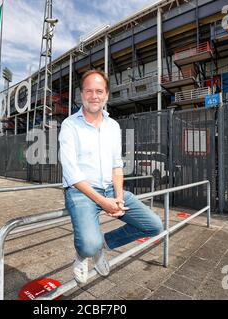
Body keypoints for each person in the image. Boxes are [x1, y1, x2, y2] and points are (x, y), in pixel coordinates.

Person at [59, 69, 163, 284]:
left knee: (154, 226)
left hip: (110, 189)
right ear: (81, 94)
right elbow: (72, 172)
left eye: (99, 91)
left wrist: (118, 198)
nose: (94, 96)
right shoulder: (70, 125)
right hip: (81, 192)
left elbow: (117, 166)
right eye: (89, 91)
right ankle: (85, 254)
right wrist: (103, 203)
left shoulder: (113, 126)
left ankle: (102, 246)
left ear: (106, 95)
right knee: (87, 244)